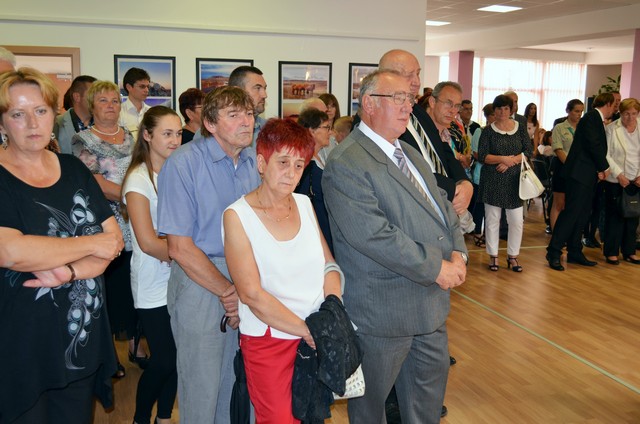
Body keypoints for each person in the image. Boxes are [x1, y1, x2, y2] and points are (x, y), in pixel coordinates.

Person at [322, 69, 467, 424]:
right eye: (398, 98)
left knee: (425, 409)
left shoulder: (411, 154)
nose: (408, 107)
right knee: (371, 411)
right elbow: (373, 235)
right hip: (384, 313)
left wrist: (459, 252)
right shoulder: (346, 162)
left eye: (410, 99)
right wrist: (437, 267)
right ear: (369, 104)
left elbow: (443, 208)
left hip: (430, 309)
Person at [0, 67, 123, 423]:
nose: (32, 123)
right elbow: (11, 252)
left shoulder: (73, 169)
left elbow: (113, 243)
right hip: (22, 343)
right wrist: (91, 243)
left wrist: (68, 272)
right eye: (18, 114)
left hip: (79, 338)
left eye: (40, 111)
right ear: (3, 122)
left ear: (53, 115)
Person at [223, 118, 342, 423]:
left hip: (314, 333)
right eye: (283, 162)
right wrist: (307, 330)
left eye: (299, 165)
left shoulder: (304, 204)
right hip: (270, 340)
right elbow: (251, 294)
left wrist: (332, 309)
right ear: (262, 163)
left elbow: (329, 266)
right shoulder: (237, 216)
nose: (292, 173)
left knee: (312, 417)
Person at [157, 86, 260, 423]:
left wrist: (245, 288)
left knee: (237, 384)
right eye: (234, 115)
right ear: (210, 124)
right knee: (202, 386)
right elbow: (179, 247)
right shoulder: (184, 163)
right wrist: (228, 291)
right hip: (200, 280)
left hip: (246, 278)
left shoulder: (252, 161)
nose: (246, 121)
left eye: (249, 114)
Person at [72, 80, 147, 376]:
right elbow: (96, 184)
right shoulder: (83, 139)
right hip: (107, 223)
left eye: (115, 100)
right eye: (103, 101)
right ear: (92, 105)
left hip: (137, 222)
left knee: (134, 285)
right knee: (109, 292)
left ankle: (136, 344)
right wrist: (135, 199)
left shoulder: (131, 136)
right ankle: (108, 356)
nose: (110, 106)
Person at [122, 106, 181, 424]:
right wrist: (187, 254)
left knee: (178, 357)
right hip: (152, 282)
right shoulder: (138, 179)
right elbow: (147, 242)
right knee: (165, 359)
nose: (175, 140)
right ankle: (141, 417)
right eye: (166, 133)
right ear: (147, 135)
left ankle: (165, 416)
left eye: (178, 133)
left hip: (179, 278)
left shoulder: (176, 173)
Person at [378, 50, 472, 215]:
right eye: (409, 75)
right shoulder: (380, 119)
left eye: (418, 74)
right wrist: (453, 189)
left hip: (444, 203)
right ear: (387, 76)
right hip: (416, 208)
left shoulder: (418, 112)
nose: (417, 82)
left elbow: (442, 149)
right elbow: (403, 168)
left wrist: (464, 182)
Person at [546, 92, 616, 271]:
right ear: (608, 103)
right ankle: (553, 251)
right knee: (571, 213)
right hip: (579, 175)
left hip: (586, 174)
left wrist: (599, 169)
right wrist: (604, 167)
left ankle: (575, 250)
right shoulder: (592, 118)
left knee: (582, 214)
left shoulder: (594, 119)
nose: (616, 108)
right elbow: (593, 145)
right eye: (615, 103)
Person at [478, 94, 532, 272]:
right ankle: (493, 256)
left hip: (515, 181)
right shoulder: (487, 131)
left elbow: (528, 151)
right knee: (492, 219)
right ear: (494, 110)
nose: (502, 112)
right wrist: (502, 159)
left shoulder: (520, 128)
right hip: (492, 180)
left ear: (511, 110)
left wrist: (511, 161)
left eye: (506, 108)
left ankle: (513, 256)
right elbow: (483, 156)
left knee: (516, 221)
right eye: (499, 109)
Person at [603, 98, 640, 265]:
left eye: (634, 114)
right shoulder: (612, 128)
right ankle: (611, 252)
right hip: (616, 179)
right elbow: (607, 154)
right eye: (626, 114)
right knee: (615, 216)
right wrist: (619, 175)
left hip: (636, 178)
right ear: (620, 113)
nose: (630, 118)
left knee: (633, 216)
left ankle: (629, 251)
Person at [295, 108, 333, 253]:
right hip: (315, 226)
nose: (330, 132)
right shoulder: (303, 164)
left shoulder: (321, 156)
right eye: (326, 127)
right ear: (311, 131)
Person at [550, 99, 584, 231]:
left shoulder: (583, 127)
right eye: (576, 111)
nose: (579, 114)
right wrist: (571, 166)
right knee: (559, 203)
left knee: (573, 204)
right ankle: (556, 235)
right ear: (568, 111)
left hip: (580, 169)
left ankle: (568, 234)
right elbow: (558, 149)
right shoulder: (560, 127)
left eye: (581, 111)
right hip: (563, 167)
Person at [470, 103, 496, 247]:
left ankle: (488, 233)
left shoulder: (499, 133)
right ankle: (476, 232)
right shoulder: (479, 131)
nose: (496, 117)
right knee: (480, 205)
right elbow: (476, 153)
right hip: (481, 174)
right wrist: (494, 159)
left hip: (495, 174)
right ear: (488, 116)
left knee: (492, 207)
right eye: (493, 114)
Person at [54, 75, 96, 154]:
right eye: (93, 95)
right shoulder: (56, 125)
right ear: (77, 97)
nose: (98, 100)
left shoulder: (106, 126)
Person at [228, 66, 268, 144]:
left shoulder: (270, 130)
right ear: (237, 91)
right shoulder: (217, 131)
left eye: (264, 88)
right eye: (257, 88)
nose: (264, 95)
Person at [119, 67, 151, 139]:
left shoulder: (151, 112)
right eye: (142, 86)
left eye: (148, 87)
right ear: (129, 87)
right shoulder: (119, 112)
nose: (146, 90)